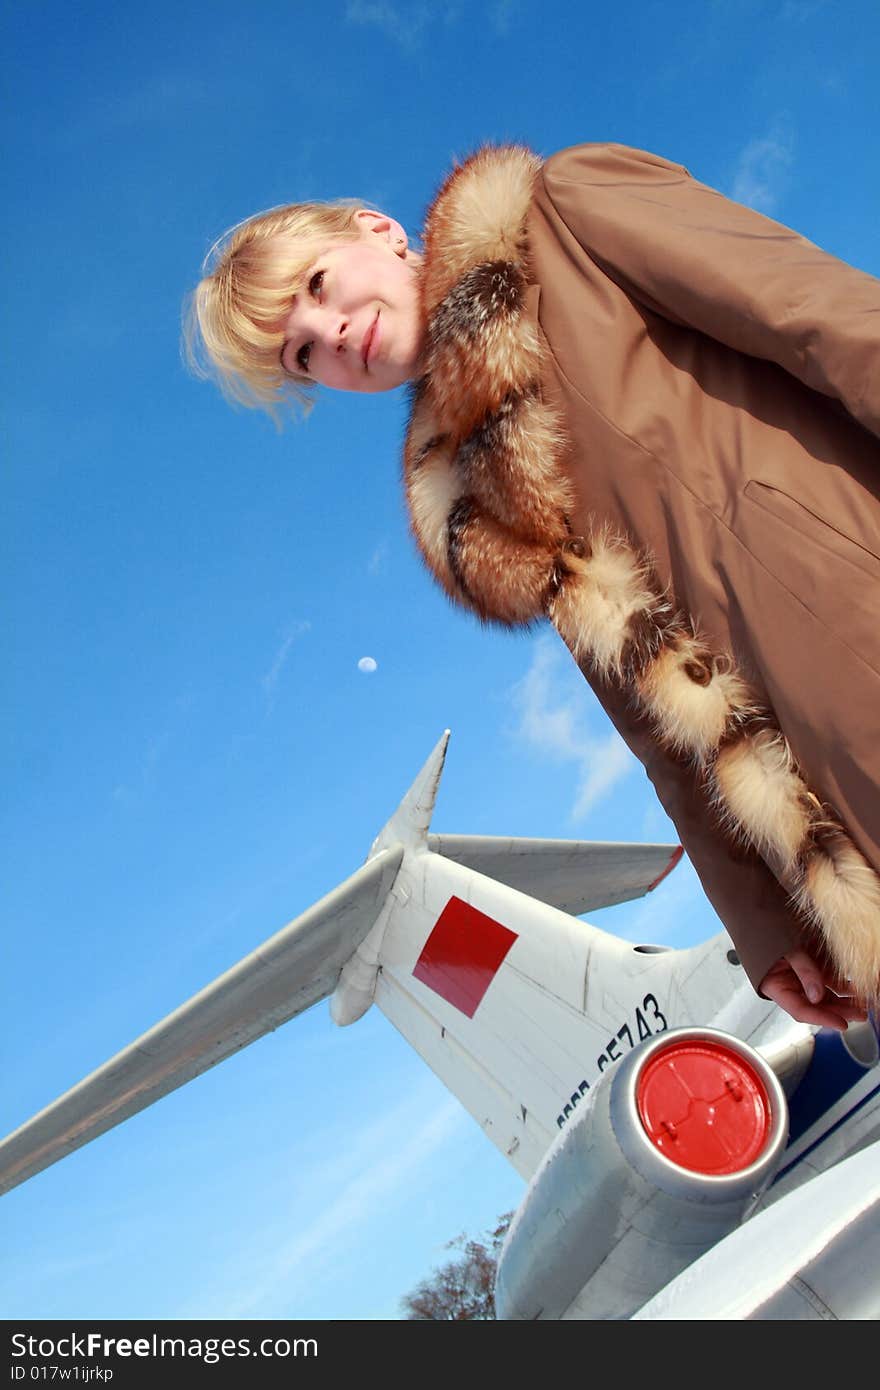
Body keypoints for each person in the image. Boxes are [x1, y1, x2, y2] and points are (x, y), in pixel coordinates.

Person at [184, 141, 880, 1032]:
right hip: (820, 807)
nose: (334, 337)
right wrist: (764, 917)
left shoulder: (560, 216)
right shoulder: (473, 491)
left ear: (377, 231)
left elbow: (817, 313)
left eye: (317, 287)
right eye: (303, 357)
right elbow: (646, 704)